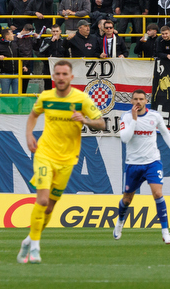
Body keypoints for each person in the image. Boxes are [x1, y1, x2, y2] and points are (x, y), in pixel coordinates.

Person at [17, 60, 105, 265]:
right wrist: (29, 134)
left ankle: (28, 240)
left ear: (71, 77)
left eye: (65, 74)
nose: (61, 77)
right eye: (57, 74)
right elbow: (33, 115)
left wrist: (85, 121)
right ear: (53, 77)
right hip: (44, 154)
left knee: (49, 208)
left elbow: (101, 123)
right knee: (42, 200)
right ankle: (36, 249)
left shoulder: (81, 99)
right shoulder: (46, 97)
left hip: (67, 160)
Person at [112, 90, 170, 244]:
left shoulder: (154, 116)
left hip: (152, 162)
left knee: (157, 193)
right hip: (133, 164)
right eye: (135, 99)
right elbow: (125, 138)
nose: (138, 102)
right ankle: (120, 222)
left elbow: (165, 132)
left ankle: (165, 232)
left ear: (145, 101)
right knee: (127, 200)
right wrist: (135, 121)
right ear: (131, 101)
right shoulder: (127, 117)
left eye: (141, 99)